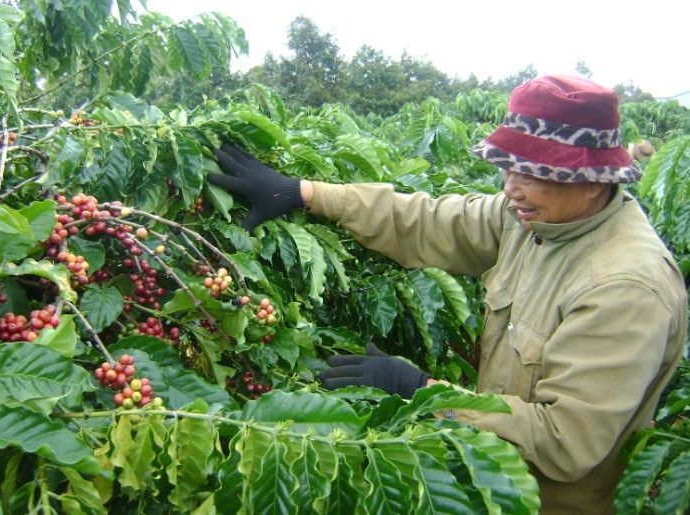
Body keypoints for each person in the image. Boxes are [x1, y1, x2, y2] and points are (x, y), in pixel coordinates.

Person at [208, 75, 687, 515]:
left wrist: (420, 392)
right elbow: (430, 220)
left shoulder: (625, 287)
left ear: (592, 177)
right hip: (485, 475)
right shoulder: (533, 217)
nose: (511, 188)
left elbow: (563, 441)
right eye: (508, 168)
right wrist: (304, 191)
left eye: (533, 172)